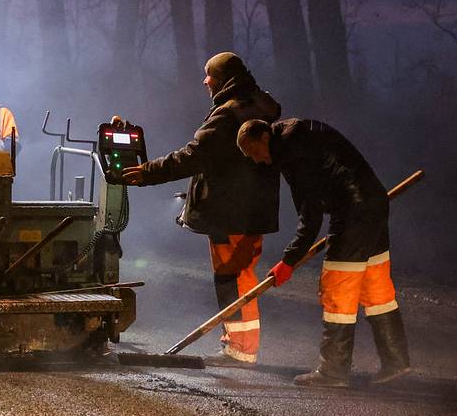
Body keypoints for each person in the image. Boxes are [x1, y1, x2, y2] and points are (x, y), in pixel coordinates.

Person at [120, 52, 281, 365]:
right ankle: (239, 342)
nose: (205, 81)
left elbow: (194, 156)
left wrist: (148, 172)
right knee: (241, 274)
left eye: (210, 75)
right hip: (252, 209)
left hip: (230, 212)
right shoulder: (258, 106)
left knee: (232, 276)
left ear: (224, 79)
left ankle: (240, 347)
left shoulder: (228, 115)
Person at [237, 118, 410, 387]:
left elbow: (310, 214)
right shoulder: (297, 131)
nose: (259, 161)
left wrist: (288, 261)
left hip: (352, 210)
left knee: (337, 288)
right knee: (376, 286)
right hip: (374, 201)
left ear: (263, 137)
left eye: (256, 153)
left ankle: (333, 371)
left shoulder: (290, 150)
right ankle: (396, 361)